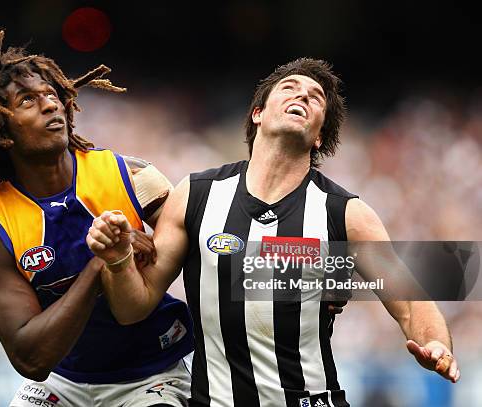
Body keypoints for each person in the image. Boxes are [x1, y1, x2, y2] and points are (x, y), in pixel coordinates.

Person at [87, 58, 460, 407]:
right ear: (258, 114)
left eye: (315, 98)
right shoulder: (196, 194)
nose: (302, 95)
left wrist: (436, 344)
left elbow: (411, 303)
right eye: (290, 87)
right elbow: (133, 307)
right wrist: (118, 260)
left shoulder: (345, 213)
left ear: (318, 137)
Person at [0, 29, 194, 407]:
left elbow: (194, 246)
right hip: (63, 383)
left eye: (52, 95)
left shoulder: (132, 175)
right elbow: (30, 358)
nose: (50, 105)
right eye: (28, 101)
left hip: (152, 374)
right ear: (2, 131)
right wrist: (102, 266)